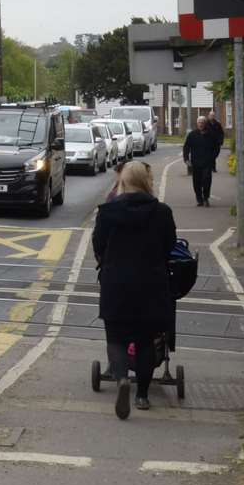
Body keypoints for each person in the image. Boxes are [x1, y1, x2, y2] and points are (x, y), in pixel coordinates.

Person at [92, 160, 177, 418]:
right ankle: (141, 394)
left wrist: (109, 262)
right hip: (150, 284)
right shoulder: (162, 212)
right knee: (144, 342)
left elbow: (99, 247)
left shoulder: (107, 212)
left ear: (124, 181)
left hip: (116, 283)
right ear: (146, 181)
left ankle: (121, 381)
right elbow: (170, 245)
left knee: (116, 339)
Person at [183, 115, 221, 207]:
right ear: (197, 124)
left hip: (207, 162)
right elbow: (186, 147)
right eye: (199, 122)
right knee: (197, 182)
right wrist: (186, 159)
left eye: (202, 122)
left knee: (207, 180)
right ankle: (199, 198)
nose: (201, 124)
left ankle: (206, 198)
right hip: (195, 163)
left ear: (205, 124)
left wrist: (213, 157)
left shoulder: (211, 135)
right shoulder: (192, 135)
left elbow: (217, 147)